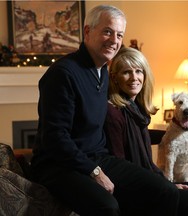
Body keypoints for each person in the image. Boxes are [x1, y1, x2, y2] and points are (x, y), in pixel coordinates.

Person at [30, 5, 180, 216]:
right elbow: (55, 139)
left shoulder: (103, 73)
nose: (114, 40)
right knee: (107, 206)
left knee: (165, 191)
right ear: (88, 31)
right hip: (58, 165)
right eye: (107, 31)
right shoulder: (63, 74)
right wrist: (95, 172)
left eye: (119, 35)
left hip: (97, 158)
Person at [104, 47, 188, 216]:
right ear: (115, 77)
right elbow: (119, 163)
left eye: (138, 71)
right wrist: (165, 184)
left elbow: (142, 139)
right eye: (126, 72)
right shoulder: (114, 113)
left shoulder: (136, 109)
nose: (134, 77)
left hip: (150, 176)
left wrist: (173, 134)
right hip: (134, 186)